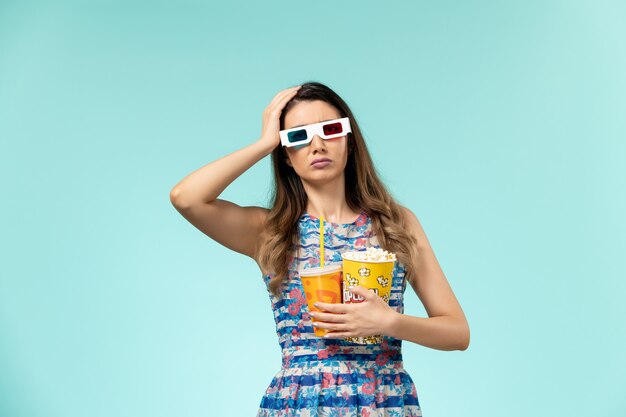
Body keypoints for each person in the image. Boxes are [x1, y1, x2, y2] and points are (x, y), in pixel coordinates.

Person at [170, 81, 470, 416]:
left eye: (330, 129)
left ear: (349, 140)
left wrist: (390, 322)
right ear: (285, 154)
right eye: (297, 136)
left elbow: (457, 332)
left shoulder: (396, 224)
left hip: (385, 402)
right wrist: (265, 143)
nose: (317, 144)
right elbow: (187, 197)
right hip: (299, 404)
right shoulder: (270, 231)